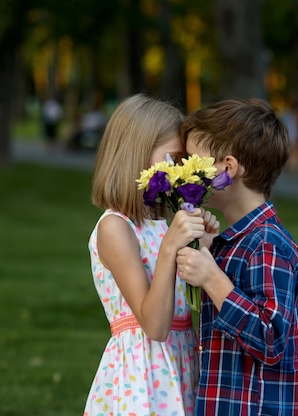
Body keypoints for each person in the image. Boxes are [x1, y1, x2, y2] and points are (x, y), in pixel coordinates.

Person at [175, 98, 298, 415]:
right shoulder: (236, 241)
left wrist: (212, 278)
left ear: (228, 168)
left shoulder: (266, 243)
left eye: (194, 161)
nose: (185, 171)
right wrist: (208, 252)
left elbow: (271, 338)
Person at [84, 94, 220, 416]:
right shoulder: (115, 229)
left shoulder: (161, 223)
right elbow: (155, 326)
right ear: (138, 154)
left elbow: (187, 305)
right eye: (173, 159)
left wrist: (205, 249)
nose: (179, 170)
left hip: (182, 364)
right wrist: (171, 248)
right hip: (143, 377)